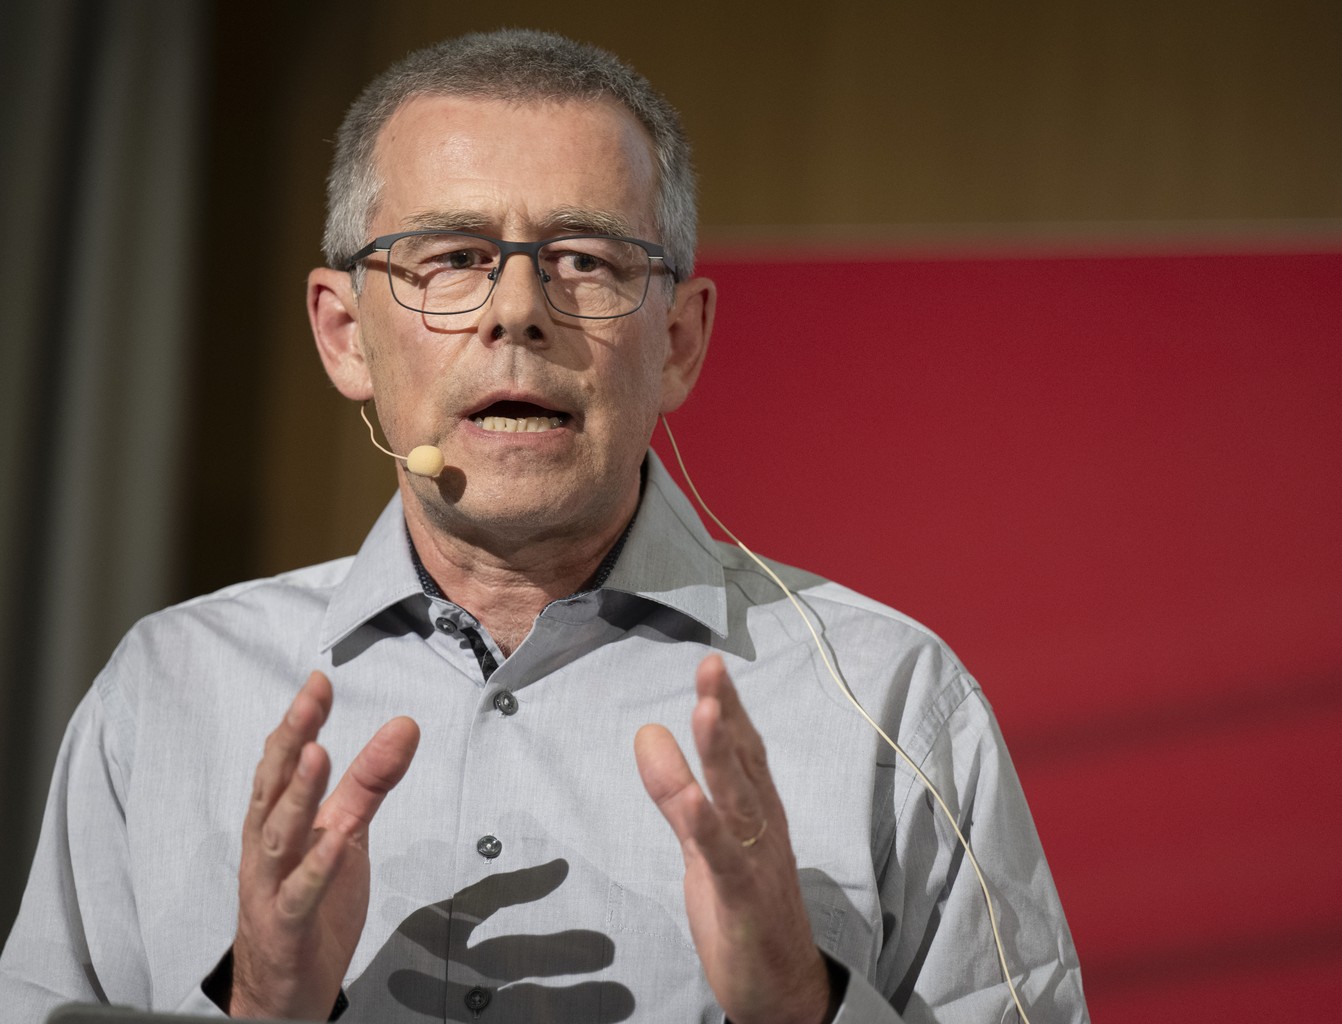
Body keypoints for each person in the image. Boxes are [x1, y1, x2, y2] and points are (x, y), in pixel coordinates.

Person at [0, 28, 1087, 1024]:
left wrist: (802, 1005)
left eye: (586, 261)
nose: (518, 309)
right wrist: (264, 1007)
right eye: (453, 257)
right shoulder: (167, 693)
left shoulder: (895, 704)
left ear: (679, 341)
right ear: (344, 335)